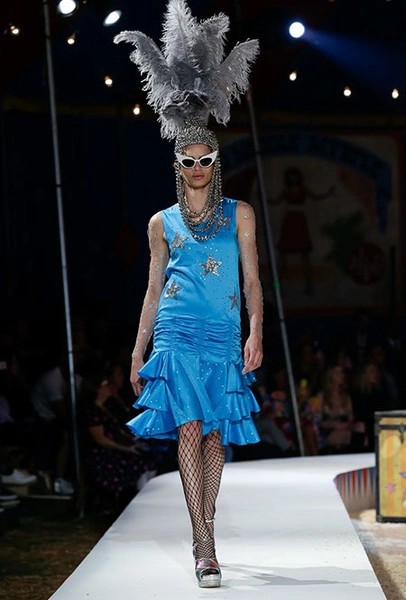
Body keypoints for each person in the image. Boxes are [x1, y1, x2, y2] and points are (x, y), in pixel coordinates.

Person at [115, 0, 260, 588]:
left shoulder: (241, 214)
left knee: (215, 434)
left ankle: (206, 526)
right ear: (177, 163)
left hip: (223, 333)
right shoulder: (161, 222)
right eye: (188, 160)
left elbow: (252, 281)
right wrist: (137, 351)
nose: (197, 166)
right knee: (189, 430)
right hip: (176, 333)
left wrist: (256, 332)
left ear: (215, 162)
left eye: (206, 159)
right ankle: (205, 544)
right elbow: (152, 291)